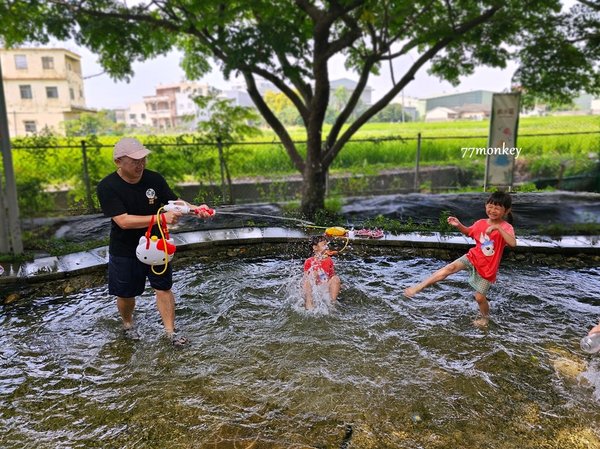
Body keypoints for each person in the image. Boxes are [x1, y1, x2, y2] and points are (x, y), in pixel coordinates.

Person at [97, 137, 212, 346]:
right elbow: (123, 221)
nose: (140, 165)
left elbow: (173, 203)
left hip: (157, 244)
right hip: (125, 247)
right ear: (118, 162)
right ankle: (128, 324)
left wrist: (196, 209)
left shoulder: (154, 179)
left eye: (143, 159)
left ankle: (170, 332)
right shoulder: (107, 186)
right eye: (134, 161)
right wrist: (160, 218)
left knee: (163, 287)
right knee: (125, 293)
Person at [403, 191, 517, 327]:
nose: (492, 210)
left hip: (488, 267)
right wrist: (459, 225)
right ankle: (418, 287)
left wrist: (498, 228)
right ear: (486, 205)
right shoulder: (480, 223)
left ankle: (485, 318)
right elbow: (469, 232)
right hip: (473, 256)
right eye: (490, 206)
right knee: (449, 268)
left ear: (506, 210)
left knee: (479, 298)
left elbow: (513, 243)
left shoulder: (506, 227)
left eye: (497, 208)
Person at [302, 235, 342, 310]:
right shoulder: (309, 261)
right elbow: (306, 278)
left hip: (325, 286)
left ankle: (332, 303)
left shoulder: (329, 260)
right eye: (324, 244)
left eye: (327, 244)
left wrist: (339, 285)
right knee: (312, 274)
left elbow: (331, 276)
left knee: (336, 278)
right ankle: (309, 302)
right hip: (314, 288)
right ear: (315, 248)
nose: (327, 247)